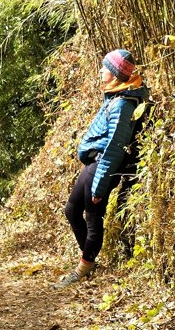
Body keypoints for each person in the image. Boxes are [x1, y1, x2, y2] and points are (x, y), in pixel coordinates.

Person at [54, 49, 149, 289]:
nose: (100, 70)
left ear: (115, 73)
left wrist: (99, 185)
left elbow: (115, 148)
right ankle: (88, 258)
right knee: (71, 210)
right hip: (93, 164)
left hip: (102, 166)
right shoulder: (115, 95)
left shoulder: (123, 105)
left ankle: (84, 268)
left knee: (93, 218)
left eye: (105, 67)